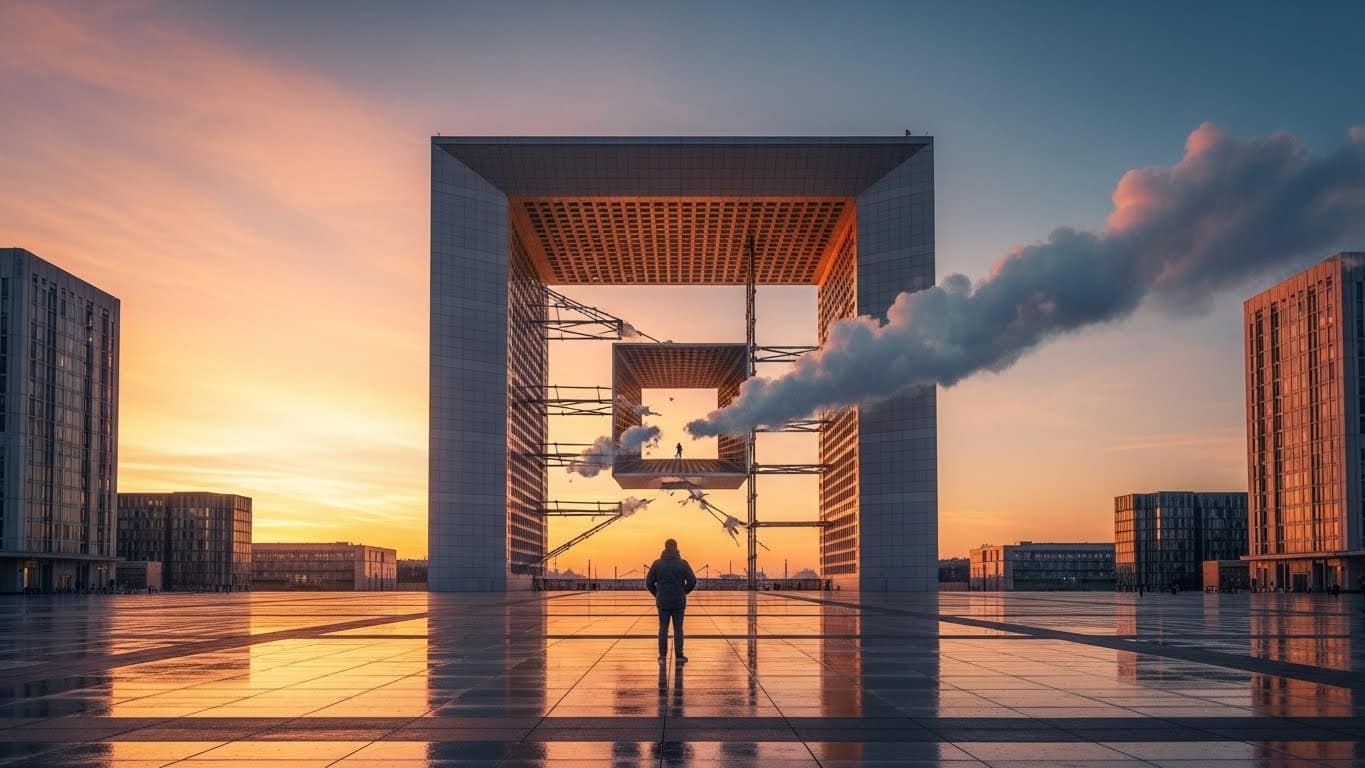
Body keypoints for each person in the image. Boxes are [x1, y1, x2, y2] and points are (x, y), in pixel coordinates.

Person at [646, 538, 697, 664]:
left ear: (665, 547)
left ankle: (662, 657)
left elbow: (649, 582)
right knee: (678, 629)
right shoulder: (683, 564)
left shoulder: (657, 564)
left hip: (663, 601)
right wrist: (683, 592)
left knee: (663, 628)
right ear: (676, 547)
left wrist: (658, 594)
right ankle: (679, 656)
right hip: (678, 601)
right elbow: (692, 581)